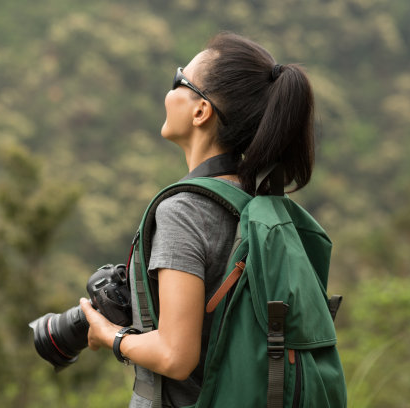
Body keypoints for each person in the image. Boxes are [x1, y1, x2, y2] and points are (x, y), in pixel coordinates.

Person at [79, 31, 315, 407]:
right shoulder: (263, 204)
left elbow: (176, 355)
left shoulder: (183, 212)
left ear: (200, 111)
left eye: (179, 80)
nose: (168, 93)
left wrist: (110, 335)